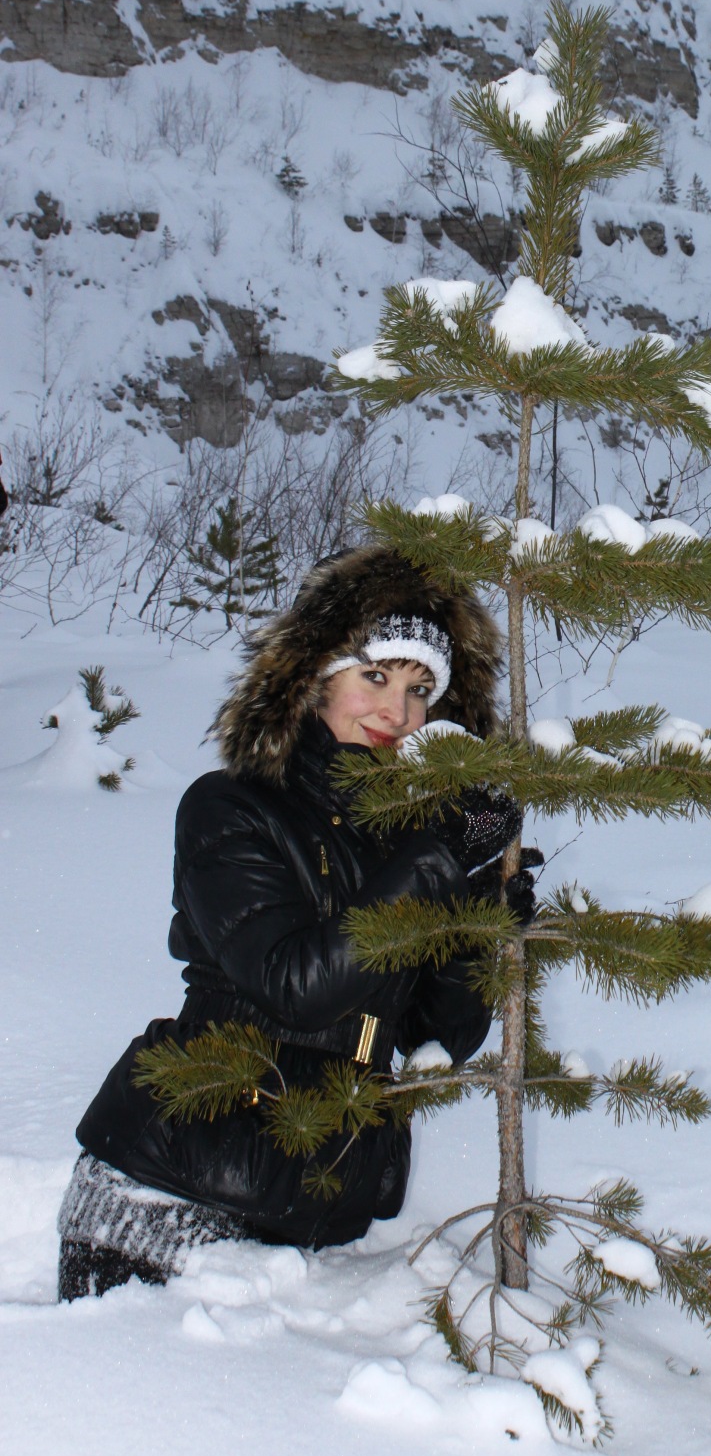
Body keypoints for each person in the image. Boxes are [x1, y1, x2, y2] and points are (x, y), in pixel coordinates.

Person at [59, 544, 535, 1302]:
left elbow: (436, 1038)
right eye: (374, 677)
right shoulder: (232, 807)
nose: (397, 712)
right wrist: (436, 861)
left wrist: (471, 927)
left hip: (314, 1207)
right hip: (173, 1196)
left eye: (420, 690)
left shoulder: (404, 845)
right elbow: (296, 986)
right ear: (316, 677)